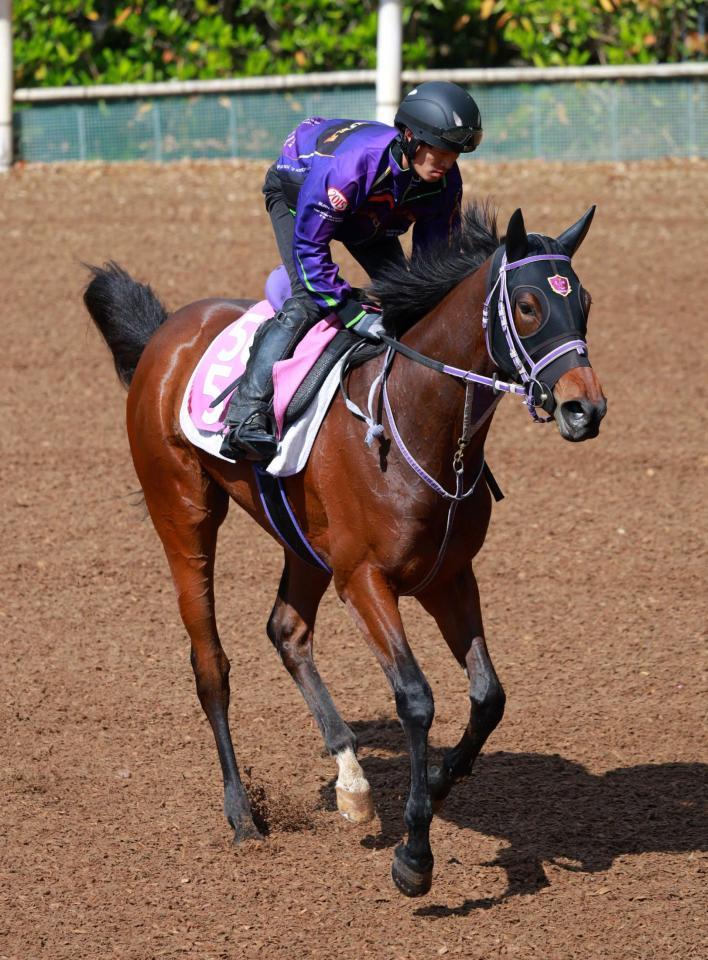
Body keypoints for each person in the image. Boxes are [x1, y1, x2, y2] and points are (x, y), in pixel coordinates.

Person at [220, 80, 483, 461]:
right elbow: (310, 246)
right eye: (439, 150)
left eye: (455, 153)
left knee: (411, 301)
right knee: (307, 301)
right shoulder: (354, 166)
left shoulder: (443, 182)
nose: (446, 162)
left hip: (368, 215)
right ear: (410, 137)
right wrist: (350, 312)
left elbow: (433, 265)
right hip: (299, 194)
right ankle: (244, 415)